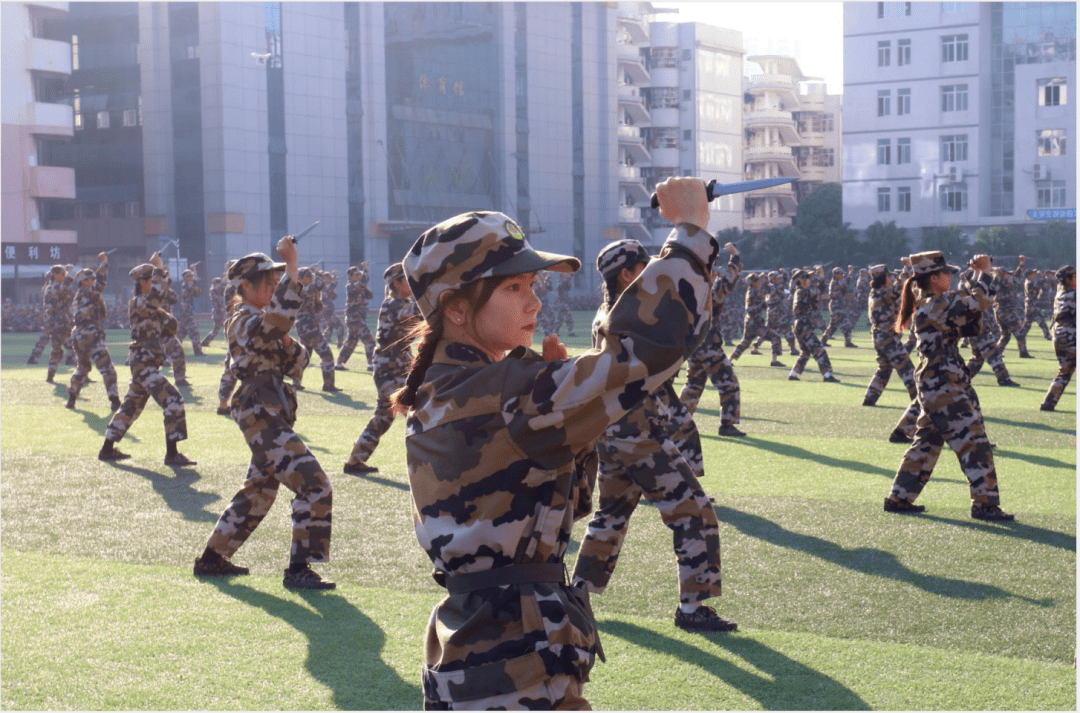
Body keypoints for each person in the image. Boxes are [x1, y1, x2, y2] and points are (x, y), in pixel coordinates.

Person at [393, 177, 719, 710]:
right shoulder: (507, 392)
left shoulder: (447, 388)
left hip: (487, 651)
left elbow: (554, 500)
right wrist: (689, 234)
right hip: (516, 662)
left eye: (532, 285)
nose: (534, 300)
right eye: (513, 288)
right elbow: (646, 348)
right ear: (455, 308)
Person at [571, 238, 734, 635]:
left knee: (611, 516)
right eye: (645, 266)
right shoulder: (631, 315)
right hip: (637, 435)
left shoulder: (610, 311)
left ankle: (577, 594)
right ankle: (692, 607)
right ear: (628, 275)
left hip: (614, 431)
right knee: (695, 513)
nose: (653, 273)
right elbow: (684, 338)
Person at [194, 237, 335, 590]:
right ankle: (299, 569)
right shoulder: (242, 319)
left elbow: (300, 361)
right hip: (261, 412)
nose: (274, 287)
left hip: (271, 409)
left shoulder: (266, 319)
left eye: (277, 283)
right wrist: (292, 269)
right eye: (269, 283)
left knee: (258, 491)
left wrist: (287, 340)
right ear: (245, 286)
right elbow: (274, 328)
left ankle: (212, 559)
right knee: (314, 484)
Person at [883, 252, 1013, 521]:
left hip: (941, 382)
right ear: (934, 278)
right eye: (946, 274)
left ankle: (899, 497)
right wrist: (985, 272)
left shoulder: (933, 304)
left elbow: (971, 323)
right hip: (944, 385)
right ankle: (985, 504)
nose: (950, 278)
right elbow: (980, 301)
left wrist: (976, 277)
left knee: (927, 443)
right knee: (974, 442)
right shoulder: (936, 305)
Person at [98, 252, 195, 467]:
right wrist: (159, 268)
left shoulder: (150, 305)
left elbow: (171, 310)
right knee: (173, 401)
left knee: (131, 406)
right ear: (143, 283)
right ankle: (172, 454)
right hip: (144, 361)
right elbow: (160, 295)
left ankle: (107, 449)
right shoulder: (139, 302)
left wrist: (164, 314)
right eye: (151, 280)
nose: (154, 284)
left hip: (146, 361)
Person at [342, 263, 417, 474]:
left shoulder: (402, 302)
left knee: (383, 418)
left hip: (396, 369)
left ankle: (355, 462)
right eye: (408, 279)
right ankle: (435, 465)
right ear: (397, 283)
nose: (412, 284)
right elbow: (420, 314)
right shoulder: (393, 305)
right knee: (420, 411)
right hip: (389, 372)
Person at [678, 242, 746, 437]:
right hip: (708, 344)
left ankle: (677, 424)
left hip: (693, 344)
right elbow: (730, 281)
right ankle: (727, 424)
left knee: (693, 385)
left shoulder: (688, 288)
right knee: (729, 384)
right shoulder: (707, 288)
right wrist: (735, 256)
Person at [66, 253, 121, 412]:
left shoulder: (80, 295)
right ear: (84, 282)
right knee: (107, 368)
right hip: (91, 335)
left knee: (82, 368)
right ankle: (114, 400)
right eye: (91, 278)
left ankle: (71, 400)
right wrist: (104, 263)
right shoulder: (88, 292)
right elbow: (101, 284)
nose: (93, 280)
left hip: (78, 336)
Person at [862, 264, 917, 407]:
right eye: (888, 276)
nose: (891, 278)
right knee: (907, 369)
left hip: (879, 336)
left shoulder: (875, 292)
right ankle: (920, 401)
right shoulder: (885, 293)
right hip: (888, 338)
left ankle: (869, 399)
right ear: (882, 278)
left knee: (884, 369)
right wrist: (906, 269)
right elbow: (902, 291)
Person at [292, 266, 340, 392]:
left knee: (304, 357)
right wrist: (316, 272)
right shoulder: (303, 289)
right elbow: (320, 284)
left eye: (310, 276)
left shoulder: (298, 289)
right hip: (309, 327)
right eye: (308, 276)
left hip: (304, 326)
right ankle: (328, 385)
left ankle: (295, 383)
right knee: (327, 355)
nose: (310, 278)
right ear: (301, 278)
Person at [789, 269, 840, 382]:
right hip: (803, 325)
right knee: (819, 349)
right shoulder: (803, 291)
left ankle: (793, 374)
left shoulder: (801, 291)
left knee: (806, 352)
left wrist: (820, 277)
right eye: (808, 278)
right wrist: (821, 276)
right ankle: (827, 375)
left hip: (799, 325)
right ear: (802, 280)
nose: (810, 280)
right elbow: (819, 290)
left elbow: (818, 292)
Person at [1040, 265, 1075, 412]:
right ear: (1067, 279)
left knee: (1065, 372)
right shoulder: (1073, 294)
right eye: (1074, 276)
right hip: (1070, 335)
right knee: (1065, 371)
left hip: (1061, 335)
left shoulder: (1061, 293)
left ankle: (1048, 404)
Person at [336, 263, 377, 372]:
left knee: (351, 342)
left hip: (356, 319)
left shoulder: (359, 286)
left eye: (359, 274)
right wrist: (365, 270)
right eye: (356, 274)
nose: (358, 276)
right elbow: (363, 282)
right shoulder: (350, 286)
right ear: (350, 276)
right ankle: (371, 365)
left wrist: (364, 286)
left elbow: (370, 295)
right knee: (369, 340)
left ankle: (338, 364)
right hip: (355, 320)